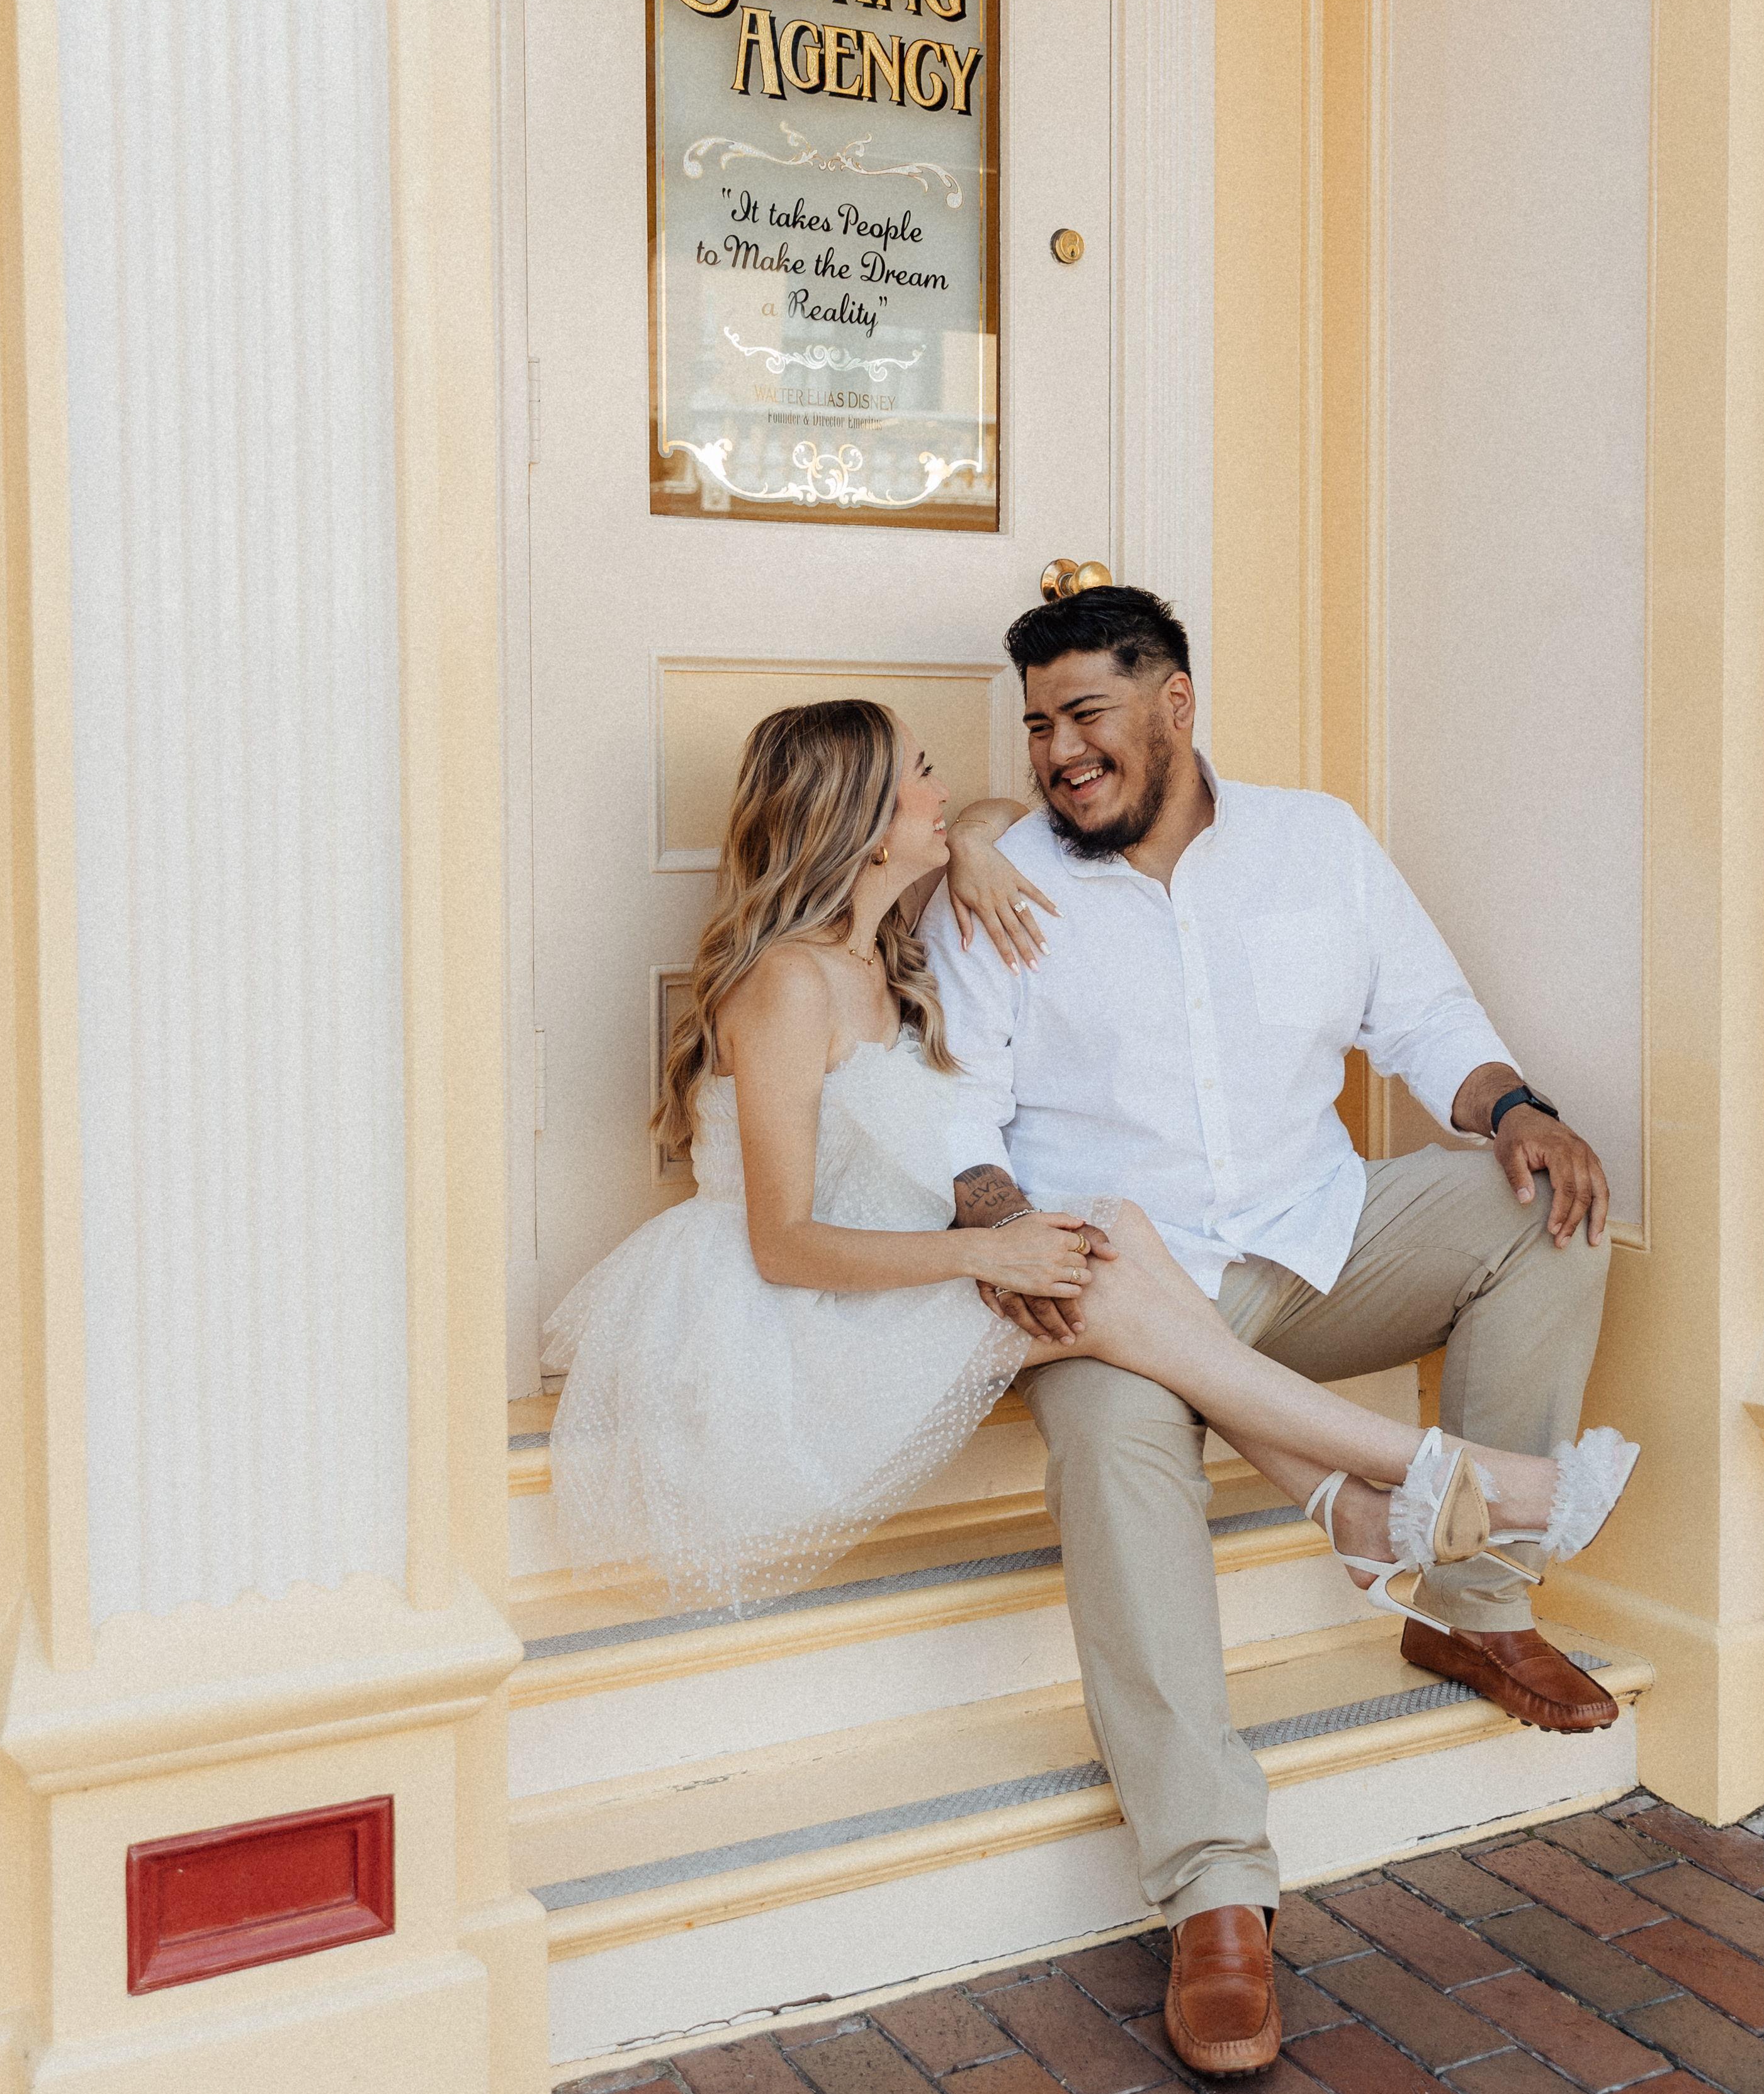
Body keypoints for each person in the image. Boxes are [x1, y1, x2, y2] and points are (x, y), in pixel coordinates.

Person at [545, 696, 1627, 1706]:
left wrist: (974, 847)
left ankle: (1358, 1510)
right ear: (867, 824)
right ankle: (1458, 1481)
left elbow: (992, 815)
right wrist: (987, 1254)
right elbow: (782, 1246)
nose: (943, 789)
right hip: (807, 1322)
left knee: (1115, 1239)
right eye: (919, 775)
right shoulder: (789, 983)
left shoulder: (884, 945)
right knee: (1104, 1264)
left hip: (899, 1281)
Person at [930, 584, 1638, 2080]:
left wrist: (1514, 1107)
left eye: (1086, 715)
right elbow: (957, 1106)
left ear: (1175, 702)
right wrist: (995, 1210)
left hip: (1314, 1239)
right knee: (1113, 1450)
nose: (1058, 753)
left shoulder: (1316, 841)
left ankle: (1470, 1602)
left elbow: (1427, 1017)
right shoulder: (997, 889)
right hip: (1112, 1293)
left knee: (1548, 1206)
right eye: (1038, 725)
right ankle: (1213, 1887)